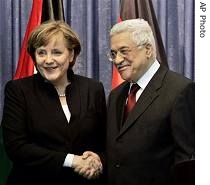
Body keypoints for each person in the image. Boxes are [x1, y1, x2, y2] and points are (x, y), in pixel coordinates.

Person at [1, 20, 106, 185]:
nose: (48, 60)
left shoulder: (93, 89)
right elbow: (17, 147)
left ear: (71, 55)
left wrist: (99, 160)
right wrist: (72, 160)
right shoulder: (18, 90)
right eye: (41, 53)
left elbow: (105, 140)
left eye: (57, 52)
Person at [106, 18, 195, 185]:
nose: (117, 60)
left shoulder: (181, 90)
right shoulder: (116, 95)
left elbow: (187, 162)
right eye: (113, 54)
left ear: (147, 49)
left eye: (124, 51)